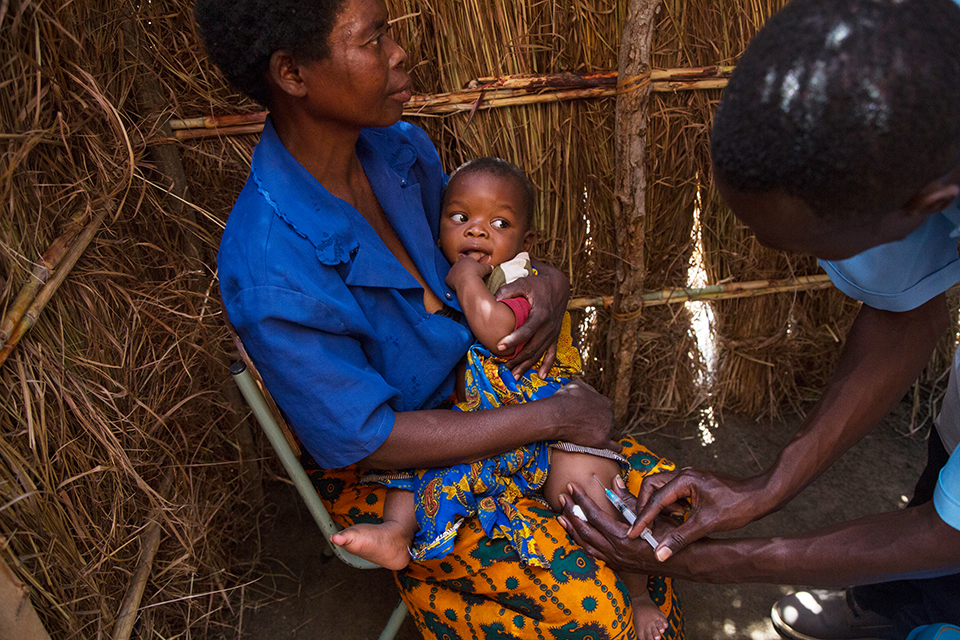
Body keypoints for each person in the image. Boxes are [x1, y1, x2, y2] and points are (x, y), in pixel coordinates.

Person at [194, 0, 684, 637]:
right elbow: (365, 437)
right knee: (598, 610)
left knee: (660, 519)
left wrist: (552, 286)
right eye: (373, 40)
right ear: (292, 73)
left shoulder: (400, 153)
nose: (399, 53)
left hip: (492, 404)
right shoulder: (270, 266)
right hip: (400, 469)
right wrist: (552, 417)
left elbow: (488, 256)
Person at [557, 1, 960, 639]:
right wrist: (766, 486)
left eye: (815, 245)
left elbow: (951, 533)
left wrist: (712, 563)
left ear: (930, 200)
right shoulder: (909, 51)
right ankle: (907, 602)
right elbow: (903, 312)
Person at [331, 156, 669, 640]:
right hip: (489, 430)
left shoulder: (518, 279)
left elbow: (498, 335)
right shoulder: (442, 273)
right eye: (460, 218)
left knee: (598, 505)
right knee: (416, 473)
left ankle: (635, 596)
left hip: (554, 429)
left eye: (499, 223)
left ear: (525, 243)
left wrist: (466, 278)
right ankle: (397, 533)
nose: (477, 231)